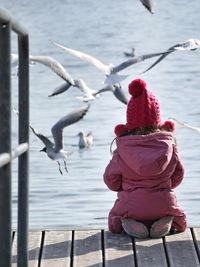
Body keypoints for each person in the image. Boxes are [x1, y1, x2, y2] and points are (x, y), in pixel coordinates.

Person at [103, 78, 187, 239]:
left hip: (131, 204)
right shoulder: (169, 145)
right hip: (164, 202)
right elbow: (178, 175)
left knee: (114, 222)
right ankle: (163, 222)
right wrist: (165, 185)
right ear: (157, 118)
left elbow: (110, 180)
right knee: (180, 220)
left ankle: (133, 225)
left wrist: (124, 187)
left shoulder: (123, 149)